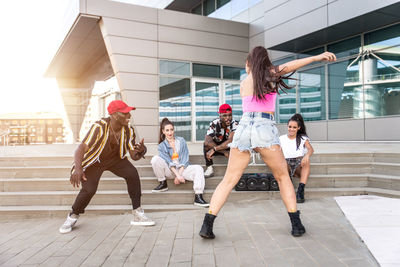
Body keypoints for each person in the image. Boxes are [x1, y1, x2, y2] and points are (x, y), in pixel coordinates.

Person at [199, 46, 336, 239]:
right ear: (265, 61)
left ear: (250, 62)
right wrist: (316, 58)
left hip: (244, 127)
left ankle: (207, 225)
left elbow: (254, 80)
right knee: (282, 177)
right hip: (263, 126)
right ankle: (296, 225)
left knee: (228, 180)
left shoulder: (244, 82)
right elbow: (290, 66)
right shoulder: (270, 74)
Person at [59, 100, 155, 234]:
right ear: (115, 115)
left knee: (132, 173)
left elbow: (134, 155)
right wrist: (78, 168)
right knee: (89, 190)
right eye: (126, 113)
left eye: (129, 113)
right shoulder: (99, 127)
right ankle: (73, 215)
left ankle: (137, 212)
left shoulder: (129, 130)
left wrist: (141, 151)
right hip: (95, 161)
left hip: (115, 160)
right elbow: (80, 148)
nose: (129, 116)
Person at [151, 118, 209, 207]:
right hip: (170, 171)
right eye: (167, 130)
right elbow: (169, 162)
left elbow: (185, 159)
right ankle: (163, 183)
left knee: (199, 168)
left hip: (183, 169)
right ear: (163, 131)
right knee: (155, 159)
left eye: (171, 129)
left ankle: (198, 196)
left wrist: (180, 174)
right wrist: (177, 175)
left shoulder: (181, 141)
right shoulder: (162, 146)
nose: (170, 132)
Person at [280, 113, 314, 203]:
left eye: (294, 127)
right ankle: (289, 185)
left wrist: (306, 155)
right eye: (290, 126)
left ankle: (300, 191)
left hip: (299, 164)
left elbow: (310, 149)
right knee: (282, 163)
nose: (291, 129)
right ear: (287, 126)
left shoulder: (303, 138)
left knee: (307, 161)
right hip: (286, 164)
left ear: (298, 128)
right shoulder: (281, 138)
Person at [203, 104, 239, 178]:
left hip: (229, 147)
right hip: (221, 148)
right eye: (225, 116)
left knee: (235, 145)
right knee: (206, 145)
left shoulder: (235, 124)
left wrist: (215, 149)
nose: (228, 118)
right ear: (220, 116)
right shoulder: (214, 123)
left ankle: (234, 169)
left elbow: (230, 140)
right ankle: (209, 168)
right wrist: (224, 152)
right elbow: (207, 141)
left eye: (230, 115)